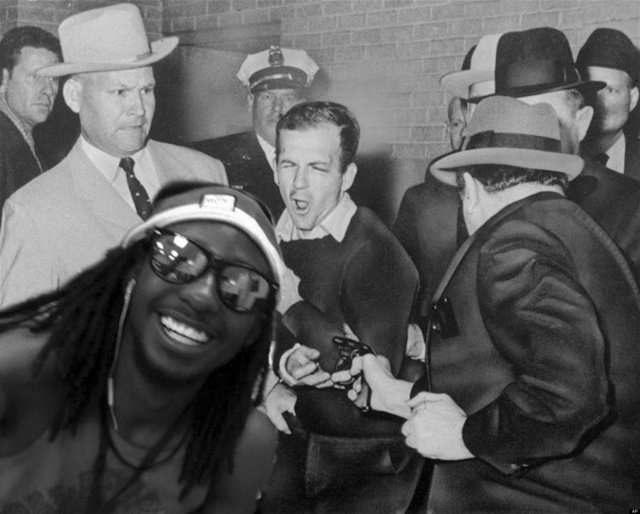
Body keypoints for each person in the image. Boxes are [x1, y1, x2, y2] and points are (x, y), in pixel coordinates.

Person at [339, 96, 640, 513]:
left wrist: (465, 437)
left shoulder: (513, 242)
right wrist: (395, 395)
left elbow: (571, 395)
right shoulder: (578, 231)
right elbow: (522, 374)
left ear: (471, 189)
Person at [0, 182, 284, 512]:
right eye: (178, 258)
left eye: (244, 286)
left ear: (254, 330)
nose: (203, 295)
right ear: (133, 273)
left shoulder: (241, 443)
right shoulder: (22, 375)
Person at [394, 27, 640, 319]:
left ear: (582, 122)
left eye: (545, 118)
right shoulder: (434, 205)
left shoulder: (630, 210)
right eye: (514, 119)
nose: (527, 135)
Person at [0, 4, 227, 308]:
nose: (139, 109)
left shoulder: (206, 173)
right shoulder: (33, 213)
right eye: (120, 92)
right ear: (74, 96)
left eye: (146, 90)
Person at [259, 102, 423, 514]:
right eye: (288, 165)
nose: (298, 185)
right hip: (290, 455)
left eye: (317, 168)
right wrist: (279, 375)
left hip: (364, 469)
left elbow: (367, 381)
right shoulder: (269, 235)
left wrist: (292, 304)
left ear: (346, 176)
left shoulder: (375, 249)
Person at [192, 45, 318, 219]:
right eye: (267, 97)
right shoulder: (212, 157)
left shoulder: (320, 158)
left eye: (288, 98)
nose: (277, 108)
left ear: (302, 105)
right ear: (251, 101)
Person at [0, 26, 61, 210]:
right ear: (3, 79)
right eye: (35, 76)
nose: (48, 90)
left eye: (53, 79)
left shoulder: (31, 143)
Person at [577, 28, 640, 178]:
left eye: (610, 90)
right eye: (591, 89)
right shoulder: (558, 159)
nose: (599, 102)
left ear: (633, 98)